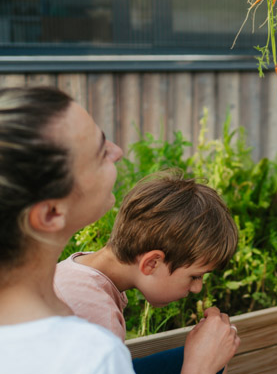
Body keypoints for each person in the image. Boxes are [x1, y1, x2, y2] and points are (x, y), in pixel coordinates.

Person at [0, 86, 239, 374]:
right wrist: (199, 368)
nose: (118, 151)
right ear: (51, 213)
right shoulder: (93, 348)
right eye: (99, 152)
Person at [54, 169, 239, 373]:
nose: (197, 288)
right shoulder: (96, 316)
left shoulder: (81, 271)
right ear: (152, 263)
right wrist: (199, 368)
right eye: (195, 276)